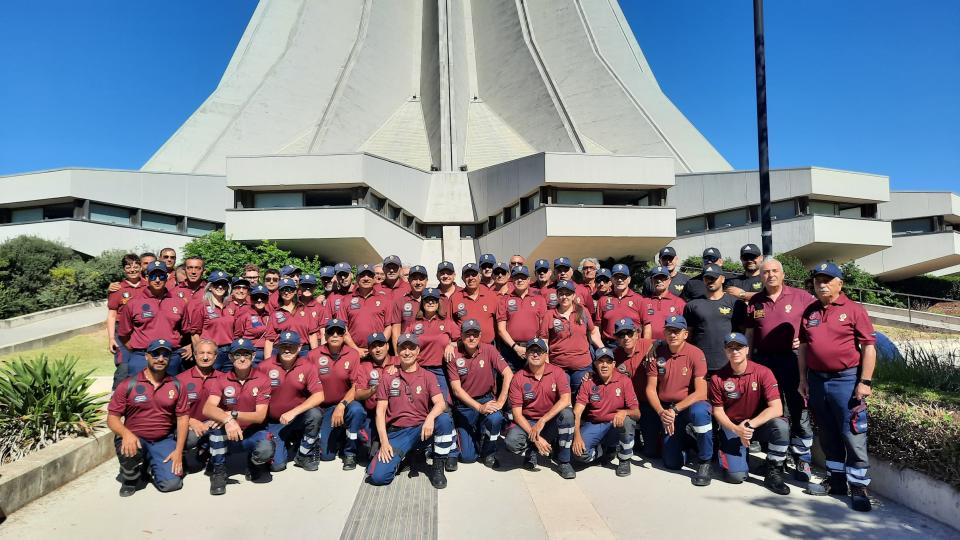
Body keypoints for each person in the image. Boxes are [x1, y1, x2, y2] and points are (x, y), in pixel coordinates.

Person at [799, 262, 876, 512]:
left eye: (827, 280)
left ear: (839, 284)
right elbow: (803, 347)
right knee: (828, 433)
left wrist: (865, 381)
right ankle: (837, 481)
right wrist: (803, 379)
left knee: (852, 434)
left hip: (846, 379)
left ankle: (859, 487)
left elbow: (869, 346)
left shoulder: (854, 310)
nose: (821, 284)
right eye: (818, 279)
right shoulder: (809, 311)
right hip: (817, 381)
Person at [745, 259, 816, 481]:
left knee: (798, 409)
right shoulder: (755, 301)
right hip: (764, 361)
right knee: (769, 410)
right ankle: (775, 459)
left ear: (783, 274)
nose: (771, 275)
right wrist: (748, 361)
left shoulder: (801, 297)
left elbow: (819, 320)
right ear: (760, 276)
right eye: (766, 272)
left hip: (792, 361)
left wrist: (806, 340)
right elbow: (749, 333)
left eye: (775, 271)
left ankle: (803, 461)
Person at [367, 333, 455, 489]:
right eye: (403, 348)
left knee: (444, 419)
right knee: (378, 477)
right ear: (398, 350)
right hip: (397, 433)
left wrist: (429, 418)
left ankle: (438, 467)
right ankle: (407, 455)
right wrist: (384, 442)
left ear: (418, 350)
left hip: (422, 430)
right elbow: (380, 412)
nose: (407, 352)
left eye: (411, 348)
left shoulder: (428, 376)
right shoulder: (388, 377)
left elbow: (441, 403)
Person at [710, 333, 791, 495]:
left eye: (739, 347)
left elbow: (776, 408)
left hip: (756, 425)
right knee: (736, 476)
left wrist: (748, 426)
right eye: (730, 348)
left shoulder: (763, 372)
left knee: (781, 426)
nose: (735, 351)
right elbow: (717, 411)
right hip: (732, 427)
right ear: (725, 351)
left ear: (747, 349)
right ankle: (730, 451)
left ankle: (773, 470)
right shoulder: (717, 377)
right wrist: (736, 429)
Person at [107, 339, 189, 496]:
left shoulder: (177, 385)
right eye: (155, 354)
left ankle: (151, 465)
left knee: (171, 484)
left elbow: (183, 418)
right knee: (128, 450)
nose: (160, 359)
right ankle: (130, 478)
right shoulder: (128, 384)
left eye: (165, 355)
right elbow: (112, 418)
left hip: (163, 440)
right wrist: (126, 434)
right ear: (146, 356)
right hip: (135, 438)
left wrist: (178, 451)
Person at [645, 315, 714, 486]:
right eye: (669, 331)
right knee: (672, 463)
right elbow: (650, 389)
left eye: (677, 331)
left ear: (685, 334)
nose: (672, 335)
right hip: (667, 409)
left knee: (701, 413)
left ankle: (704, 461)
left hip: (688, 406)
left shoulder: (695, 353)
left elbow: (701, 392)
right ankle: (687, 442)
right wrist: (662, 412)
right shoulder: (657, 353)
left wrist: (675, 410)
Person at [202, 338, 276, 495]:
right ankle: (219, 470)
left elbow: (260, 416)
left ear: (253, 355)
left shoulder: (263, 379)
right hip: (229, 433)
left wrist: (233, 415)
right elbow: (208, 408)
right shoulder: (221, 380)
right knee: (215, 428)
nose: (242, 359)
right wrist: (228, 420)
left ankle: (253, 464)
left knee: (266, 445)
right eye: (237, 355)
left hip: (251, 432)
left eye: (246, 354)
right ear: (230, 357)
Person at [504, 338, 576, 479]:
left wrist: (543, 420)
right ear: (526, 354)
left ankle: (564, 461)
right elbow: (517, 415)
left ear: (545, 354)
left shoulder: (557, 372)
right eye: (532, 351)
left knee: (567, 415)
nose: (535, 354)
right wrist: (536, 438)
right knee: (511, 441)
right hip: (528, 421)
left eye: (539, 351)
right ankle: (532, 450)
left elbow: (566, 399)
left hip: (550, 421)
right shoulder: (518, 378)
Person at [447, 319, 513, 468]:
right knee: (468, 457)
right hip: (465, 406)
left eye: (475, 334)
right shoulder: (454, 355)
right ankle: (473, 436)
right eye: (467, 334)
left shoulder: (489, 349)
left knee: (496, 419)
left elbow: (508, 374)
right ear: (461, 336)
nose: (471, 338)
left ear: (480, 335)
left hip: (486, 399)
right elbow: (456, 390)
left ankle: (489, 451)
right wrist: (478, 407)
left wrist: (501, 402)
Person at [261, 331, 326, 472]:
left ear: (299, 347)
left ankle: (304, 454)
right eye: (283, 346)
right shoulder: (265, 367)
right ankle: (284, 443)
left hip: (297, 418)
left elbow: (319, 395)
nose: (287, 350)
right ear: (277, 347)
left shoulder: (307, 366)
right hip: (275, 421)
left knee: (315, 414)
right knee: (277, 466)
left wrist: (293, 412)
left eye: (291, 346)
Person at [572, 346, 640, 477]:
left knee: (627, 421)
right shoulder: (588, 382)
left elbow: (637, 413)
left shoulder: (624, 381)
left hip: (615, 425)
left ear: (614, 364)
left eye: (608, 361)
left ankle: (624, 459)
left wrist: (624, 412)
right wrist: (577, 436)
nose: (604, 365)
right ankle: (602, 451)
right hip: (595, 424)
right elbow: (577, 412)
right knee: (578, 454)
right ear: (595, 364)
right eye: (600, 361)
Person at [309, 318, 365, 468]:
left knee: (357, 410)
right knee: (326, 457)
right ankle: (337, 435)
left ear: (344, 335)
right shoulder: (313, 355)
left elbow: (355, 385)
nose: (335, 335)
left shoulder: (353, 354)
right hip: (324, 408)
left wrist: (342, 405)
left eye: (339, 332)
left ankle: (350, 453)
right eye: (331, 332)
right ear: (325, 336)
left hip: (345, 404)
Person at [117, 261, 187, 379]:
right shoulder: (133, 303)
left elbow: (184, 331)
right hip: (142, 357)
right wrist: (139, 348)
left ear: (167, 277)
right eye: (153, 276)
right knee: (139, 394)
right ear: (147, 277)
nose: (158, 280)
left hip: (171, 357)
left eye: (162, 276)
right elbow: (124, 334)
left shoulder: (179, 302)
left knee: (172, 394)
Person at [540, 280, 604, 397]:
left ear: (574, 295)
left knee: (583, 396)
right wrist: (547, 366)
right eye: (561, 293)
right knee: (562, 399)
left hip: (582, 366)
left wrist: (603, 350)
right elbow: (544, 341)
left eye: (568, 294)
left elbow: (593, 333)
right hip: (558, 367)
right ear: (557, 296)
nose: (564, 297)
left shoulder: (582, 311)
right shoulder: (549, 315)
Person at [401, 288, 459, 405]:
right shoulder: (414, 324)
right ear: (422, 303)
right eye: (427, 300)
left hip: (441, 370)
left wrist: (451, 345)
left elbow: (462, 340)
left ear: (438, 303)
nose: (431, 303)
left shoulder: (447, 322)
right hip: (419, 369)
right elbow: (402, 344)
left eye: (434, 300)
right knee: (419, 404)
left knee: (444, 405)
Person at [683, 264, 746, 373]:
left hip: (728, 364)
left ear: (722, 279)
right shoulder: (692, 305)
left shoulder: (736, 304)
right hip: (701, 364)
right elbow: (688, 337)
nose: (710, 281)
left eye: (714, 278)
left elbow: (744, 333)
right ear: (703, 280)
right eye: (707, 278)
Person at [346, 332, 396, 468]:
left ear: (387, 346)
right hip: (372, 413)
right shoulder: (364, 366)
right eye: (373, 347)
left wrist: (398, 369)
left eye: (380, 345)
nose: (378, 349)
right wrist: (373, 390)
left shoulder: (398, 362)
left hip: (395, 416)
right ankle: (351, 452)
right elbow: (357, 394)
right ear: (369, 350)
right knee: (367, 455)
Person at [611, 319, 657, 457]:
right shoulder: (615, 354)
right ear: (617, 339)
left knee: (651, 452)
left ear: (637, 333)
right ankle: (630, 440)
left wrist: (657, 344)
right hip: (628, 404)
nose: (626, 338)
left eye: (629, 333)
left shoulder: (649, 345)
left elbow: (668, 341)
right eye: (621, 335)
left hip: (647, 402)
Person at [176, 338, 220, 474]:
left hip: (213, 424)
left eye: (209, 353)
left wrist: (219, 418)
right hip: (189, 425)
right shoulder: (180, 380)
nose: (205, 357)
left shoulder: (224, 378)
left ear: (216, 356)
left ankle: (214, 458)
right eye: (201, 353)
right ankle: (184, 454)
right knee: (190, 441)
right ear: (194, 355)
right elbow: (169, 411)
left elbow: (230, 407)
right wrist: (190, 421)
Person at [183, 270, 236, 372]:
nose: (220, 287)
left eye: (223, 284)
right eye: (216, 284)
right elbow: (195, 334)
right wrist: (201, 354)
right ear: (210, 287)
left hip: (230, 352)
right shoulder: (201, 306)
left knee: (228, 384)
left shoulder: (231, 305)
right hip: (211, 352)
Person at [495, 265, 546, 371]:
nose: (519, 280)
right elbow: (501, 329)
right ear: (512, 280)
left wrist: (538, 347)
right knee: (511, 383)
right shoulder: (504, 300)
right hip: (511, 349)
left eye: (523, 277)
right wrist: (516, 347)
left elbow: (543, 327)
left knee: (533, 383)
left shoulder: (539, 299)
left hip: (534, 348)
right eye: (516, 277)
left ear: (528, 280)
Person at [107, 253, 144, 386]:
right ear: (124, 269)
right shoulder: (117, 288)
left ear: (141, 268)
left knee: (142, 366)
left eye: (136, 266)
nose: (132, 270)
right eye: (128, 267)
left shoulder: (148, 286)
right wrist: (111, 338)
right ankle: (116, 398)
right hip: (122, 333)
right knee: (123, 367)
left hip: (142, 332)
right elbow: (112, 315)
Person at [339, 264, 391, 357]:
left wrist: (379, 346)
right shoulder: (345, 300)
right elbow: (343, 329)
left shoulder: (385, 300)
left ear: (374, 278)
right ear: (356, 279)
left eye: (369, 275)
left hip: (377, 353)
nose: (366, 278)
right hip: (352, 352)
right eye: (362, 275)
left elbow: (388, 327)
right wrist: (356, 349)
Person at [264, 278, 319, 359]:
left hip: (302, 352)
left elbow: (312, 335)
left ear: (295, 291)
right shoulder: (275, 314)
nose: (286, 292)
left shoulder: (305, 310)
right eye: (283, 290)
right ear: (279, 292)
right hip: (282, 352)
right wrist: (267, 361)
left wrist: (315, 357)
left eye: (290, 289)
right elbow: (269, 340)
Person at [594, 264, 643, 345]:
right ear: (612, 280)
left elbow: (646, 326)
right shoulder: (603, 300)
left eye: (623, 277)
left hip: (633, 344)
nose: (620, 280)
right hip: (610, 345)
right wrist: (602, 347)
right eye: (616, 277)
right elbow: (597, 327)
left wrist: (645, 345)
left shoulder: (639, 299)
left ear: (629, 279)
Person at [450, 263, 499, 345]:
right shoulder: (455, 298)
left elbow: (498, 323)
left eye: (474, 275)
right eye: (467, 275)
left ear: (480, 276)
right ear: (462, 278)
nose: (471, 278)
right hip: (464, 347)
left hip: (487, 348)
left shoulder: (491, 296)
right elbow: (450, 323)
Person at [388, 265, 428, 354]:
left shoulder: (434, 302)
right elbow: (396, 333)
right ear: (409, 281)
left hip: (428, 352)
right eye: (414, 279)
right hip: (407, 351)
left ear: (426, 281)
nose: (418, 282)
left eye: (421, 279)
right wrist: (397, 354)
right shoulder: (400, 302)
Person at [639, 266, 686, 341]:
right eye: (656, 278)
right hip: (649, 347)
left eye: (663, 278)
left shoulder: (679, 303)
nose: (659, 281)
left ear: (669, 280)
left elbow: (685, 329)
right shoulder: (643, 302)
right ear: (651, 281)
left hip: (670, 346)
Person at [234, 285, 273, 366]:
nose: (259, 300)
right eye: (256, 297)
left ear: (267, 299)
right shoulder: (244, 315)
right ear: (251, 299)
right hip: (251, 352)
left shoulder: (270, 315)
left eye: (263, 297)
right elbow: (237, 336)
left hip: (269, 352)